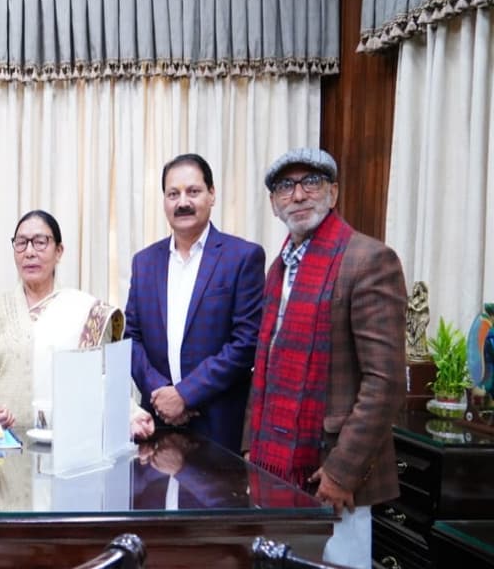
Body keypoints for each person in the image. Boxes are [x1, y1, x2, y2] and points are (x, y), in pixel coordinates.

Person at [249, 148, 406, 569]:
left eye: (311, 182)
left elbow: (386, 383)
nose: (298, 195)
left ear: (333, 193)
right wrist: (252, 449)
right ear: (274, 203)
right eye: (285, 186)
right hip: (277, 469)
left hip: (334, 478)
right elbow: (266, 366)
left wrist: (341, 472)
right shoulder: (280, 266)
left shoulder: (369, 260)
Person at [0, 210, 154, 440]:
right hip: (6, 446)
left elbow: (104, 376)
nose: (30, 252)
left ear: (59, 251)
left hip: (69, 446)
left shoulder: (86, 312)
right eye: (21, 243)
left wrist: (131, 415)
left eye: (40, 242)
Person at [124, 154, 265, 452]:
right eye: (173, 194)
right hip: (156, 426)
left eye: (193, 191)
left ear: (212, 195)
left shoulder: (242, 257)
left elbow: (246, 343)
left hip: (218, 426)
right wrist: (161, 394)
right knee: (156, 500)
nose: (182, 202)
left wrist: (185, 395)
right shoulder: (145, 262)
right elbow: (131, 338)